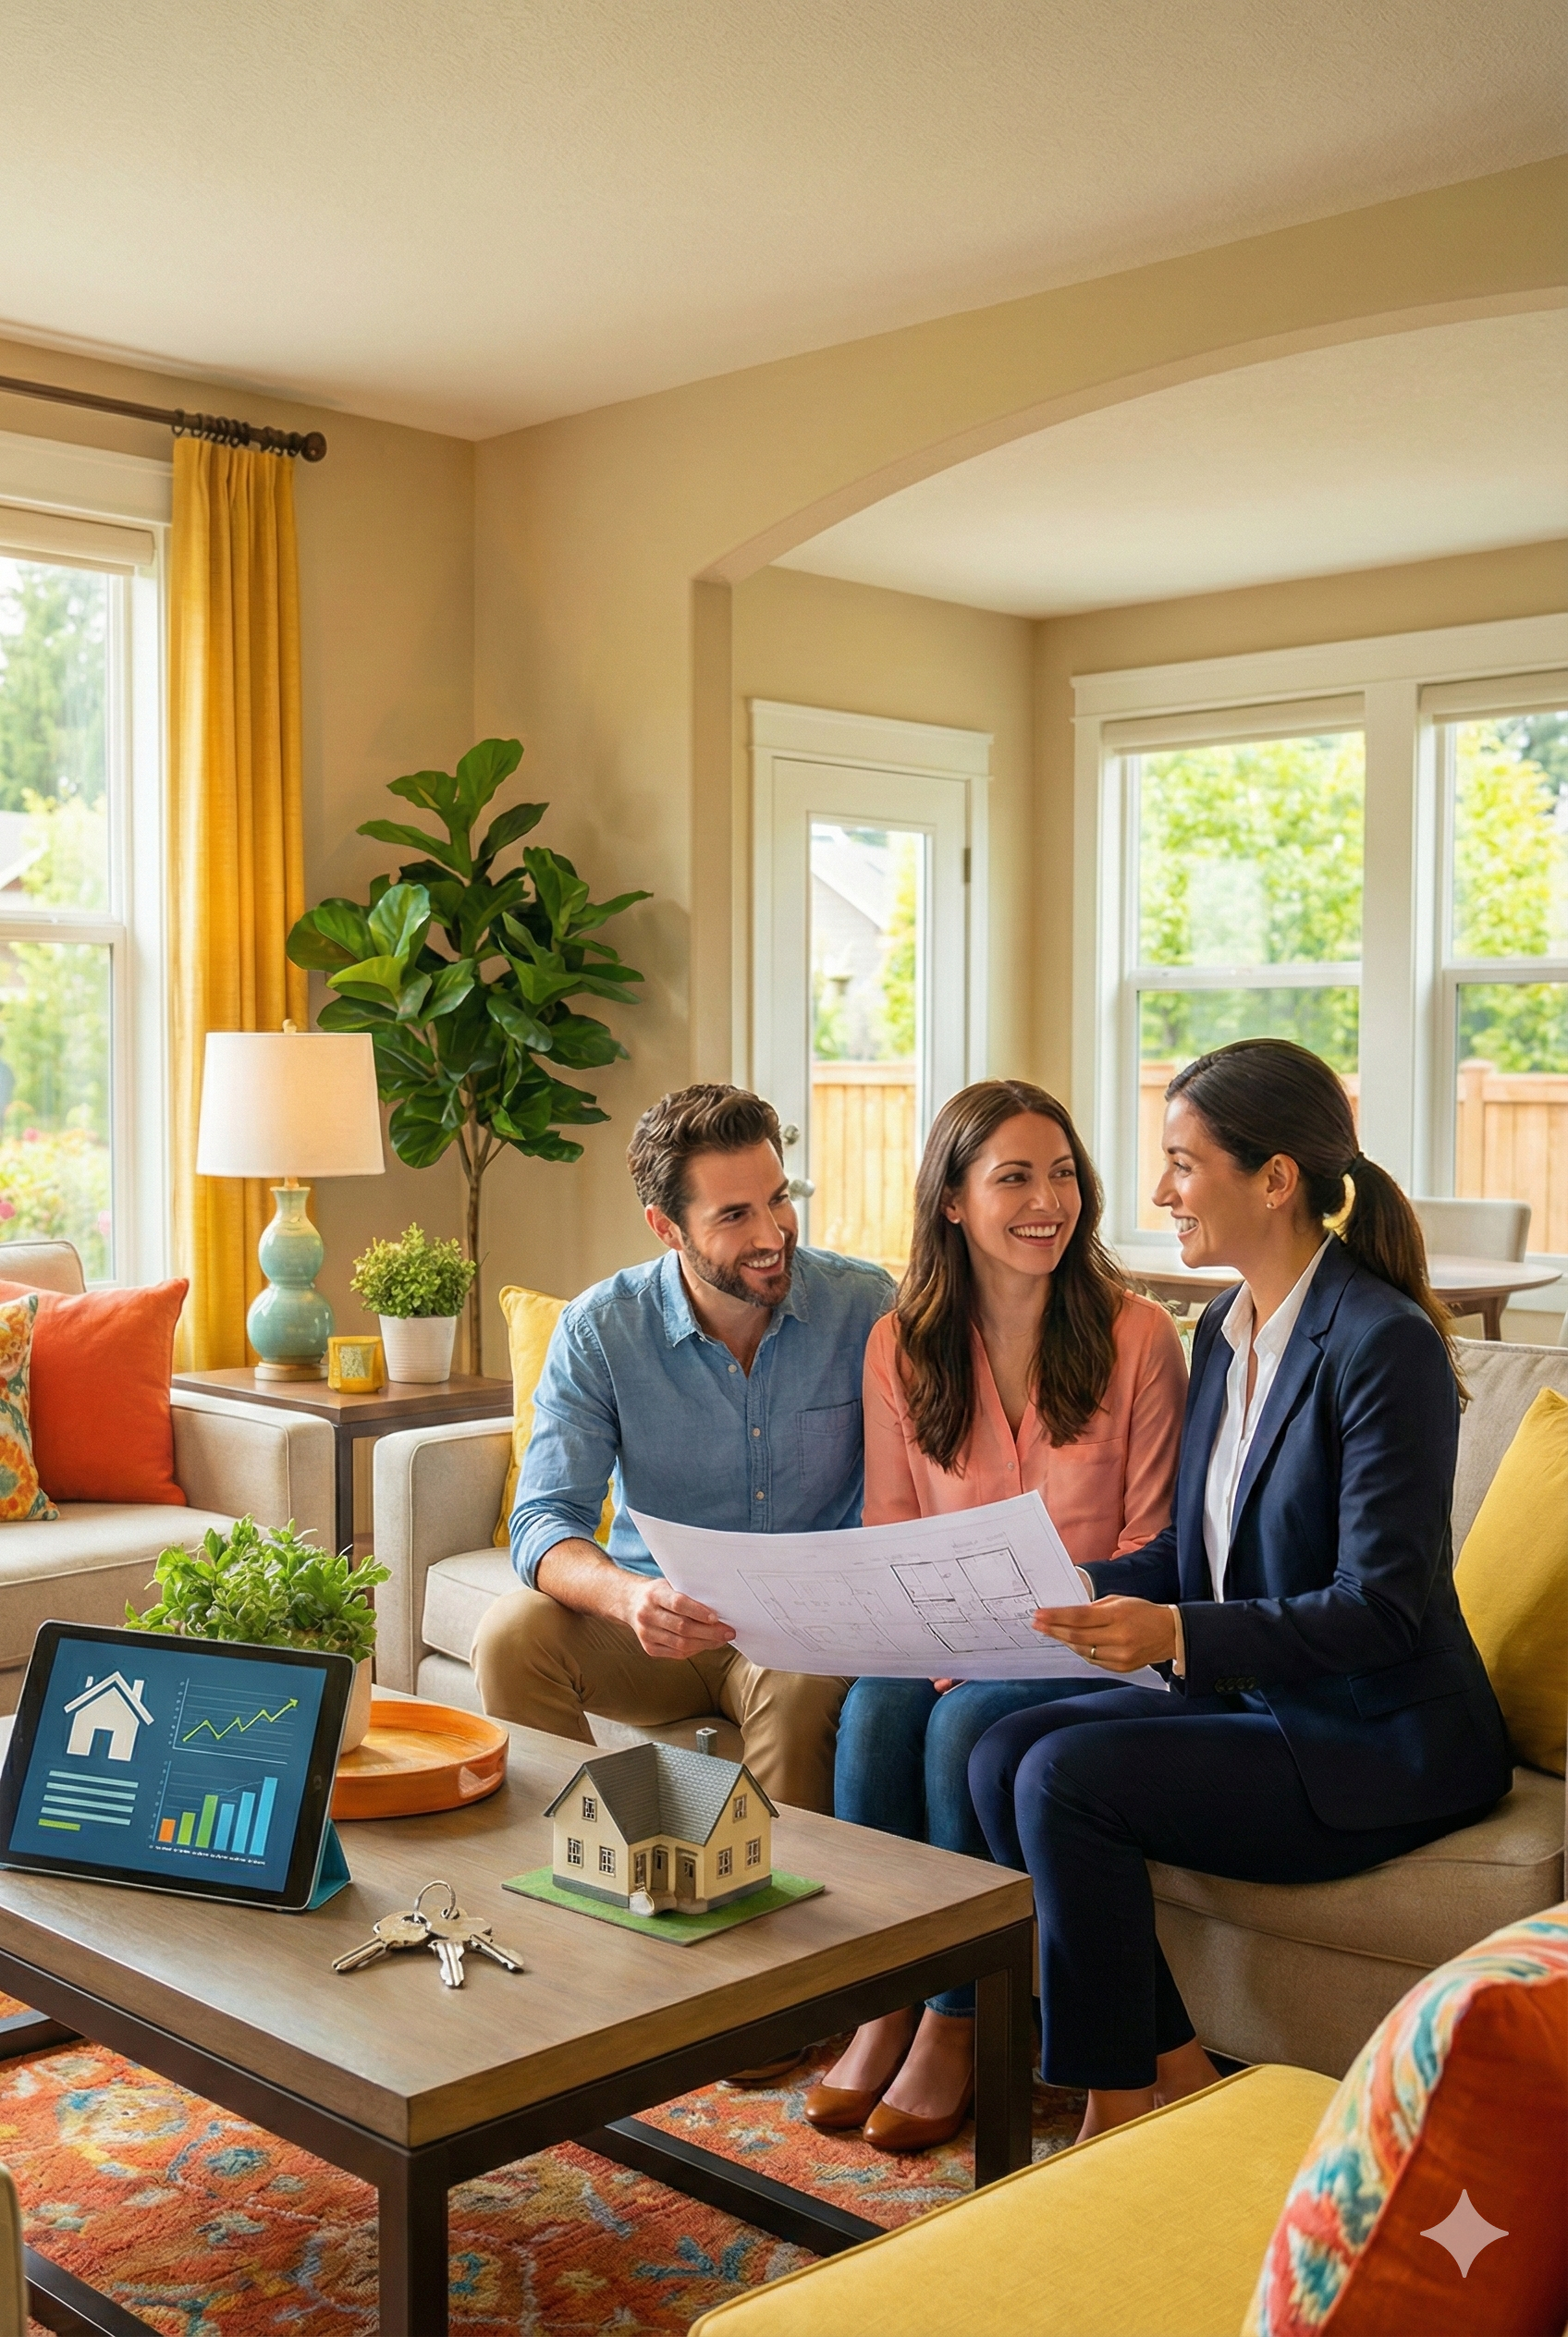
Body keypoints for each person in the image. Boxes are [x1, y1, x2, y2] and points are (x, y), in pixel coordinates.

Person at [968, 1037, 1512, 2144]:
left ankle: (1112, 2106)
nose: (1159, 1189)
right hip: (1261, 1698)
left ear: (1273, 1179)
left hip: (1371, 1736)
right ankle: (1176, 2072)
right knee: (992, 1750)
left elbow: (1382, 1606)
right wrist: (1069, 1586)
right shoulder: (1223, 1328)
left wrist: (1170, 1633)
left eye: (1182, 1161)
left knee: (1064, 1774)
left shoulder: (1380, 1343)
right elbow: (1197, 1559)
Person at [807, 1080, 1188, 2151]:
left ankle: (957, 2018)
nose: (1046, 1199)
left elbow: (1160, 1549)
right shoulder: (900, 1343)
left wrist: (1013, 1623)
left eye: (1062, 1172)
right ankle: (885, 1989)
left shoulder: (1139, 1336)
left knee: (966, 1719)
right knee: (878, 1705)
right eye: (1014, 1175)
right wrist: (932, 1630)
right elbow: (889, 1531)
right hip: (942, 1639)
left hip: (1098, 1644)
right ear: (953, 1203)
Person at [472, 1083, 896, 1817]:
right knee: (510, 1635)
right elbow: (544, 1518)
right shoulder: (601, 1329)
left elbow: (919, 1480)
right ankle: (605, 1857)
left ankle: (779, 1915)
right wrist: (631, 1598)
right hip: (655, 1624)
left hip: (802, 1629)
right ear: (666, 1228)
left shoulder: (863, 1307)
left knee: (799, 1690)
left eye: (779, 1197)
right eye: (734, 1215)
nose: (772, 1232)